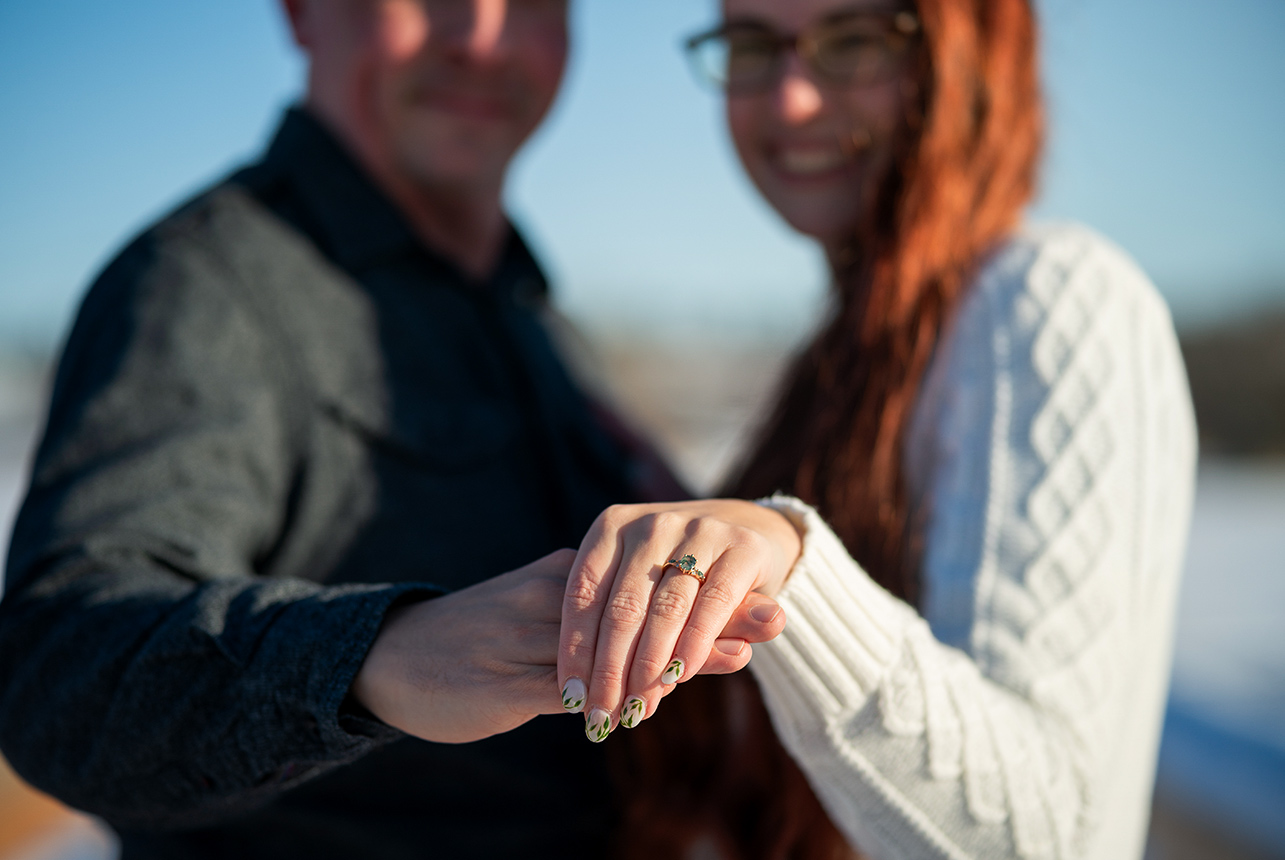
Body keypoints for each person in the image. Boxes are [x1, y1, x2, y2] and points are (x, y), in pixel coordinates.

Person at [0, 1, 788, 857]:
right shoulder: (204, 285)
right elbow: (60, 672)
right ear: (302, 14)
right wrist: (378, 657)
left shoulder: (526, 308)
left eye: (532, 4)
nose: (479, 39)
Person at [550, 0, 1198, 858]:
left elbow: (1045, 836)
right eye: (749, 45)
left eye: (853, 40)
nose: (790, 101)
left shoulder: (1054, 297)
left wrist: (791, 566)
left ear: (969, 54)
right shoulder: (852, 352)